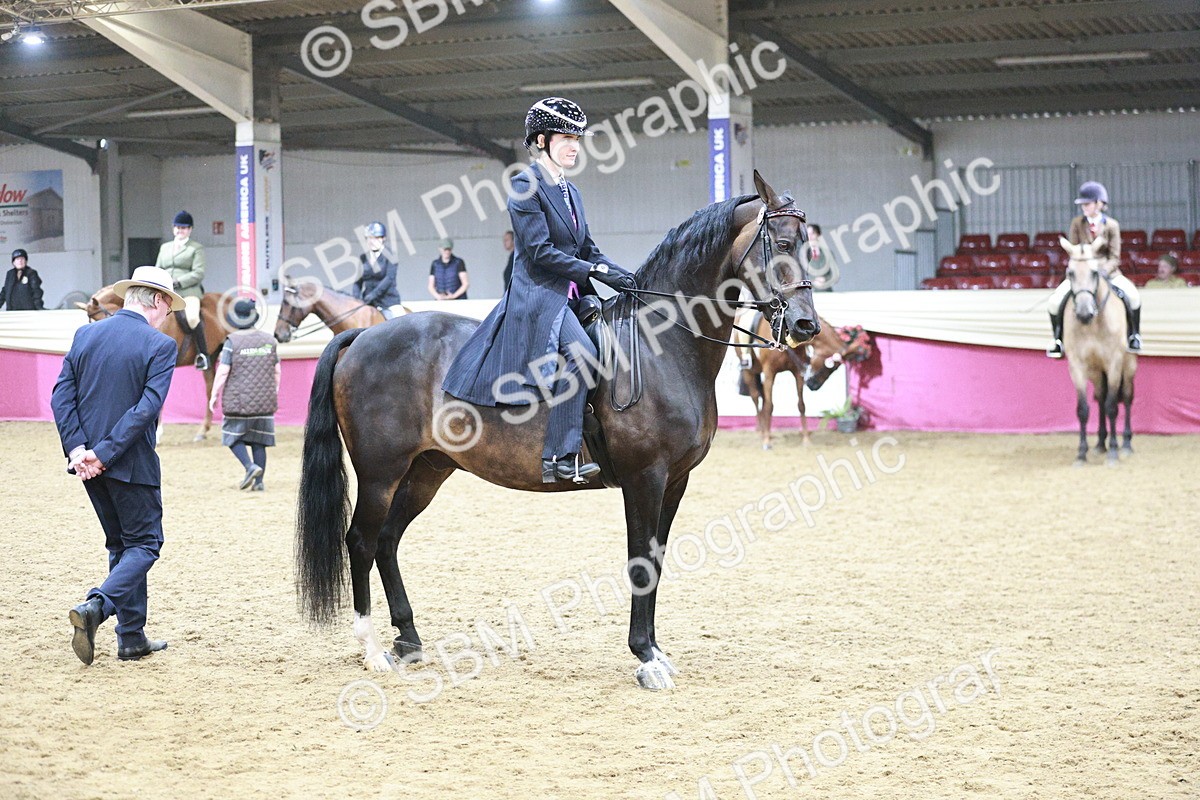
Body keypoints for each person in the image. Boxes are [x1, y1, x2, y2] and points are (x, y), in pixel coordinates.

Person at [442, 97, 637, 484]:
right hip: (538, 296)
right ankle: (559, 457)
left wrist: (624, 275)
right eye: (566, 138)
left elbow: (587, 248)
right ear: (543, 139)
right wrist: (594, 271)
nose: (574, 147)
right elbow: (540, 252)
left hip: (571, 295)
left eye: (578, 140)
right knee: (584, 357)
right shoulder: (524, 185)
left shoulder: (572, 192)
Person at [51, 265, 182, 665]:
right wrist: (104, 452)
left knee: (120, 545)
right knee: (145, 544)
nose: (168, 315)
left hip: (88, 466)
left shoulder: (85, 334)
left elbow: (60, 398)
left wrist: (79, 451)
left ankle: (131, 637)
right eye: (169, 307)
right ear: (158, 301)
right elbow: (145, 411)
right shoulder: (159, 346)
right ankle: (97, 607)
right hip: (129, 463)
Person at [1046, 181, 1141, 357]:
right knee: (1054, 302)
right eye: (1082, 204)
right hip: (1083, 274)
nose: (1083, 207)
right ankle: (1057, 340)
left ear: (1099, 203)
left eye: (1087, 203)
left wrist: (1102, 271)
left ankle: (1134, 336)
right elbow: (1074, 250)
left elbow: (1115, 257)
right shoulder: (1077, 223)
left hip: (1108, 273)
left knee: (1134, 297)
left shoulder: (1112, 225)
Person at [208, 298, 280, 491]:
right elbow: (276, 371)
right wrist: (274, 391)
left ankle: (249, 467)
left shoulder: (232, 342)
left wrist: (214, 394)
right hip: (265, 401)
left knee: (232, 436)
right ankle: (259, 482)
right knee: (260, 441)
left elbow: (223, 371)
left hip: (238, 401)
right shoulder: (269, 340)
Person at [155, 210, 209, 369]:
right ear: (173, 229)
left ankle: (202, 354)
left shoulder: (196, 248)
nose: (180, 230)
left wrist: (177, 282)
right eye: (177, 227)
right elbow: (158, 267)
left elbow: (198, 273)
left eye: (184, 228)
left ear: (190, 230)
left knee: (192, 318)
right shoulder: (165, 247)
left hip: (188, 292)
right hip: (165, 291)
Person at [354, 221, 404, 318]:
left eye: (376, 238)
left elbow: (389, 279)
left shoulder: (391, 255)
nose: (372, 241)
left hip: (388, 301)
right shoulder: (364, 257)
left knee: (401, 324)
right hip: (368, 302)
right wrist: (356, 299)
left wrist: (373, 294)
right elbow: (357, 281)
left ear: (383, 238)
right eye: (369, 238)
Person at [804, 224, 838, 292]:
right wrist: (813, 281)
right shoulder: (801, 255)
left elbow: (835, 275)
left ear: (818, 235)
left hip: (826, 292)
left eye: (812, 233)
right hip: (809, 294)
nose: (810, 237)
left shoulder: (828, 253)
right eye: (808, 234)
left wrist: (824, 279)